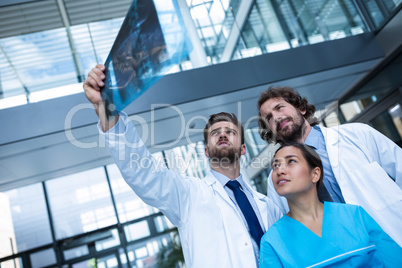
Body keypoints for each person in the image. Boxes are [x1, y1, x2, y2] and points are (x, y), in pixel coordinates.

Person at [84, 64, 282, 268]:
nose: (222, 134)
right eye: (215, 133)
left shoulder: (267, 205)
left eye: (230, 132)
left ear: (242, 149)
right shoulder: (189, 195)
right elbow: (143, 173)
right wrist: (104, 107)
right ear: (206, 151)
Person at [257, 86, 402, 246]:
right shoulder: (277, 178)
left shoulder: (358, 135)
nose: (276, 117)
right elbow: (286, 230)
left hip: (391, 237)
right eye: (269, 118)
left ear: (301, 108)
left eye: (279, 108)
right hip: (340, 255)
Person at [260, 143, 402, 267]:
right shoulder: (272, 242)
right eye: (276, 165)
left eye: (291, 161)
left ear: (315, 174)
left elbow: (395, 262)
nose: (280, 171)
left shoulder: (356, 215)